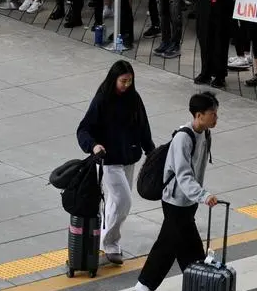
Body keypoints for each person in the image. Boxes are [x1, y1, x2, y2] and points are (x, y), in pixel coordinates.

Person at [134, 92, 219, 291]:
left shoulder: (205, 133)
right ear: (199, 115)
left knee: (186, 244)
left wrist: (197, 196)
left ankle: (197, 281)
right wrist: (203, 195)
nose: (216, 118)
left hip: (188, 201)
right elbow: (183, 175)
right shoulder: (184, 138)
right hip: (175, 201)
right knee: (167, 245)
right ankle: (144, 286)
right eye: (212, 114)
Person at [76, 60, 155, 265]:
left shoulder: (134, 99)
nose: (126, 85)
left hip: (128, 159)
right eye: (123, 81)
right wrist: (93, 146)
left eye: (130, 81)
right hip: (108, 161)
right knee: (123, 201)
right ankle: (110, 242)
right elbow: (84, 129)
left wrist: (151, 152)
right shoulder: (102, 100)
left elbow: (143, 127)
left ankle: (105, 239)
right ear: (114, 79)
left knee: (115, 202)